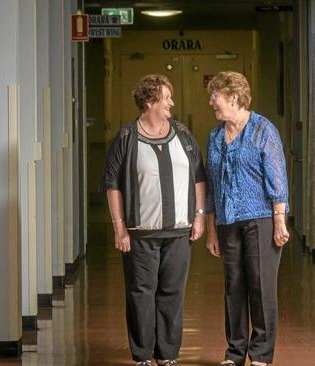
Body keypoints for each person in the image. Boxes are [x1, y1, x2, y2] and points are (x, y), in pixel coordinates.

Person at [101, 74, 206, 366]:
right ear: (150, 101)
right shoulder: (126, 138)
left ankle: (167, 354)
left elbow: (199, 177)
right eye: (167, 97)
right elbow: (113, 185)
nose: (172, 103)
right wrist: (119, 228)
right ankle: (143, 354)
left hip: (179, 231)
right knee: (141, 294)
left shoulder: (184, 135)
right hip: (140, 233)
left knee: (172, 293)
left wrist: (199, 217)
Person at [204, 71, 289, 366]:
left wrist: (280, 221)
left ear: (234, 97)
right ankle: (235, 352)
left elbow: (277, 179)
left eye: (216, 96)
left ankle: (262, 354)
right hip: (228, 221)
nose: (212, 102)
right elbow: (213, 185)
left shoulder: (263, 130)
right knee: (234, 286)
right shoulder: (215, 136)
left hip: (261, 219)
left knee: (261, 285)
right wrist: (212, 230)